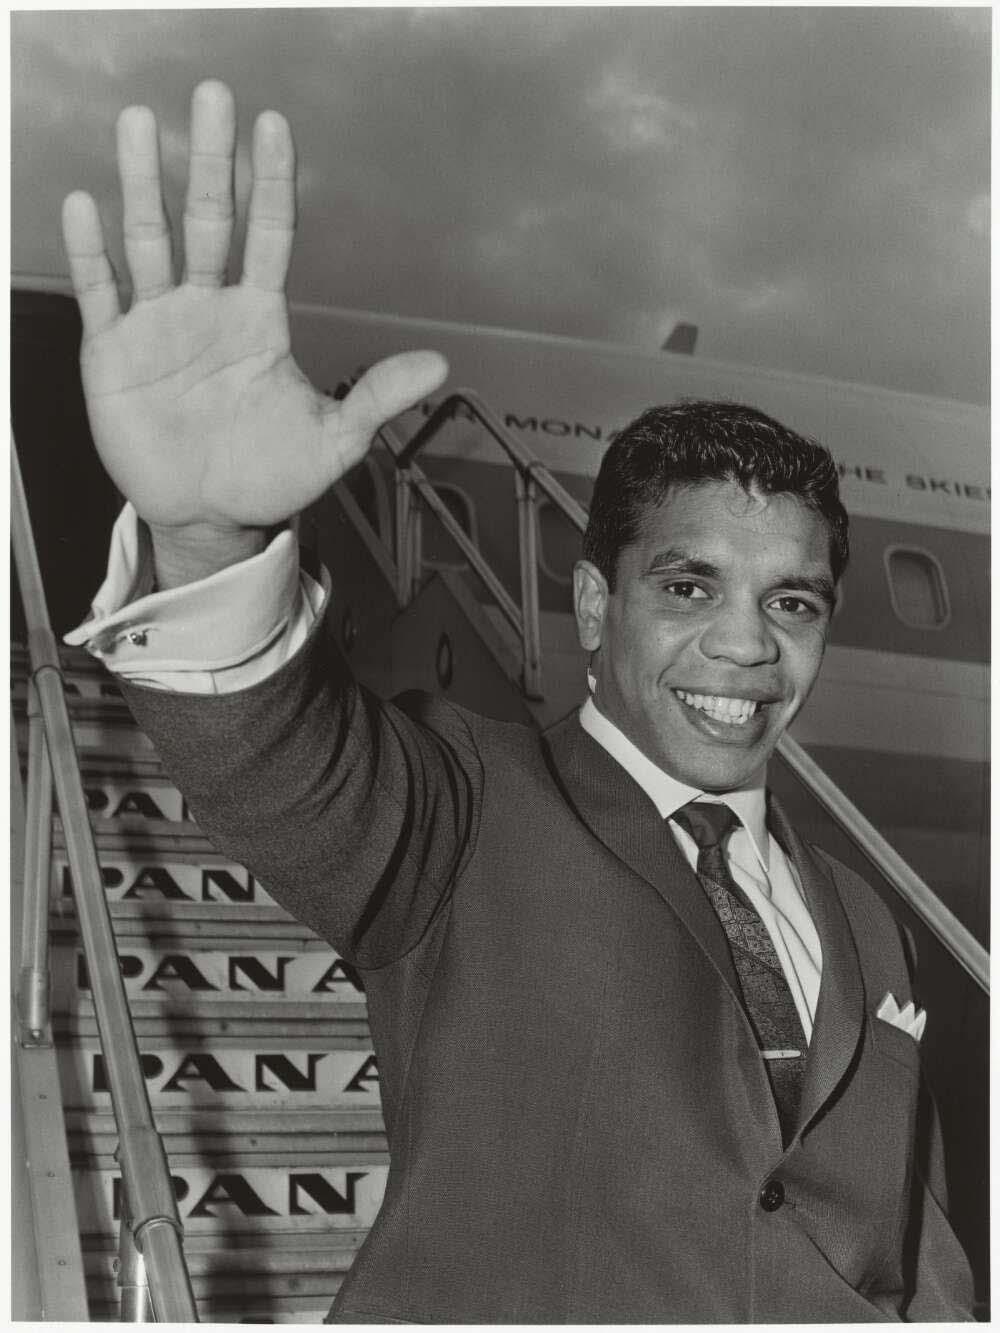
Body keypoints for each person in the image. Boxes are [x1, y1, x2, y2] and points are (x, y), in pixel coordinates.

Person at [62, 80, 973, 1322]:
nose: (745, 646)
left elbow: (914, 1252)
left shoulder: (869, 922)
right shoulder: (462, 809)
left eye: (793, 603)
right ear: (597, 608)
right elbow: (280, 758)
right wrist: (208, 534)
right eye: (691, 586)